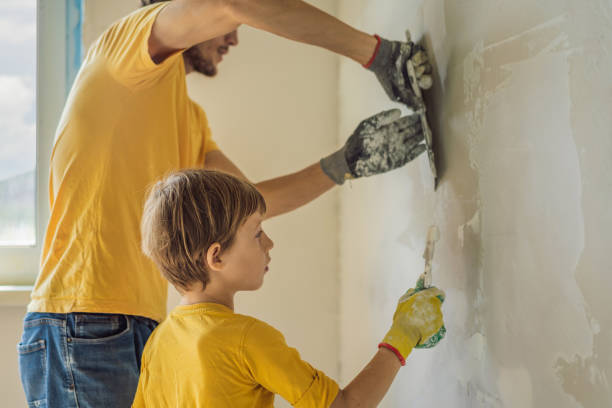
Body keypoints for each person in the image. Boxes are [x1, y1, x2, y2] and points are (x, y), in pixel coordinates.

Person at [17, 0, 434, 407]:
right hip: (83, 321)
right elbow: (233, 4)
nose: (234, 38)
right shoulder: (123, 51)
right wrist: (376, 53)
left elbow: (246, 205)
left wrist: (345, 163)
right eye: (226, 26)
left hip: (124, 325)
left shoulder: (189, 118)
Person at [132, 169, 445, 407]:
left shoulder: (158, 344)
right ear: (217, 256)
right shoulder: (246, 340)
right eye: (257, 233)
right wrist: (403, 334)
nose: (269, 243)